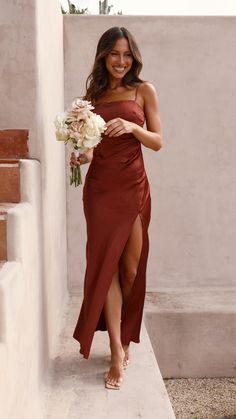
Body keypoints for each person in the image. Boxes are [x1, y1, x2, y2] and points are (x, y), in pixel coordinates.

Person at [71, 26, 163, 390]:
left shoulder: (144, 90)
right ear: (103, 56)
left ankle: (126, 335)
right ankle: (114, 349)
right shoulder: (90, 98)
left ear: (133, 57)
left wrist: (132, 127)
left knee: (130, 269)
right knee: (106, 266)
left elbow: (158, 141)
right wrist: (80, 156)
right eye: (114, 54)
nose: (121, 61)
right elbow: (90, 148)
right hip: (100, 190)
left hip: (134, 187)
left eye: (126, 54)